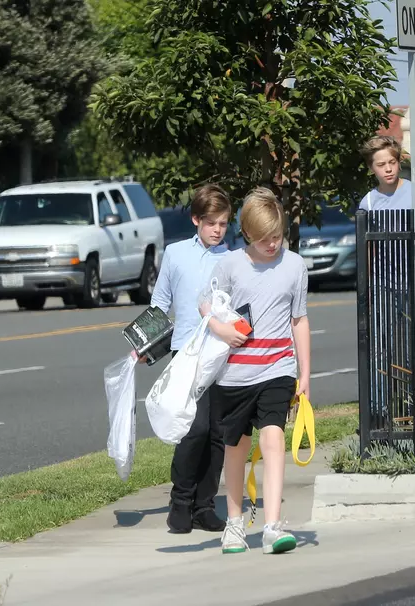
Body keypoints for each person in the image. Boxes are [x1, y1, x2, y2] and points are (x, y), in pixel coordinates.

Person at [205, 187, 310, 555]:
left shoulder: (295, 266)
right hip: (233, 375)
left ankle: (272, 525)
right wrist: (221, 330)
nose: (272, 245)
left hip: (277, 369)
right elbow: (208, 305)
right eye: (265, 239)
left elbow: (299, 319)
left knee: (273, 438)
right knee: (235, 448)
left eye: (278, 237)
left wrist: (305, 374)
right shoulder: (230, 265)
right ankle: (234, 524)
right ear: (248, 234)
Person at [150, 184, 232, 534]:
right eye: (212, 222)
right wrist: (143, 345)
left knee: (217, 432)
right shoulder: (175, 254)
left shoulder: (233, 258)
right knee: (193, 429)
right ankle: (180, 502)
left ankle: (204, 505)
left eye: (224, 223)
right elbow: (159, 303)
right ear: (197, 219)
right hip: (185, 351)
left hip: (222, 354)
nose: (218, 230)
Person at [358, 136, 415, 425]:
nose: (388, 169)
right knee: (380, 348)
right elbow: (367, 248)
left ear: (399, 162)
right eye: (381, 165)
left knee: (411, 348)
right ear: (372, 169)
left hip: (414, 282)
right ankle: (379, 412)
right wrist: (366, 284)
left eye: (392, 162)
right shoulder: (368, 202)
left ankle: (412, 409)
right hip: (382, 283)